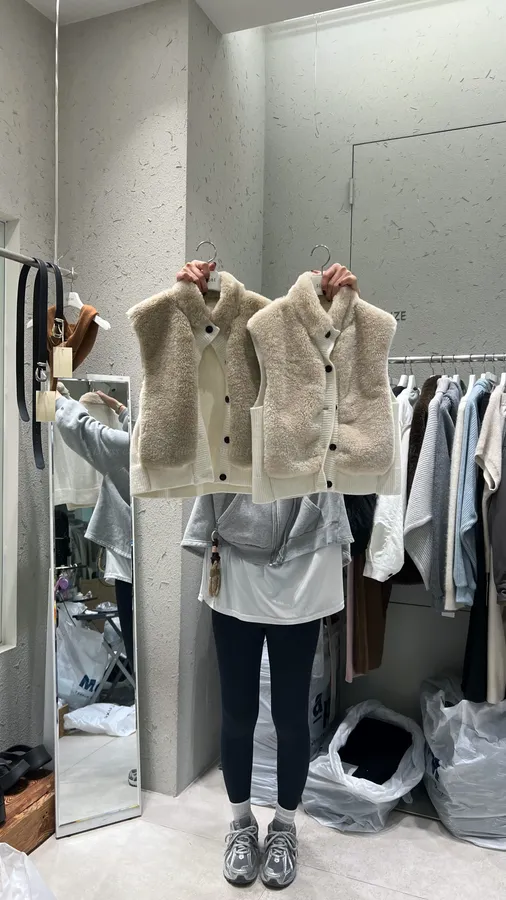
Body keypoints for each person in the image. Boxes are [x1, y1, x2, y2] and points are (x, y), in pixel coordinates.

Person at [177, 259, 359, 890]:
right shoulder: (231, 349)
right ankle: (239, 824)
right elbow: (189, 369)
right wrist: (196, 300)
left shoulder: (316, 354)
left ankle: (284, 826)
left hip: (303, 560)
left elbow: (352, 377)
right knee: (236, 711)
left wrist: (335, 306)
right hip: (234, 555)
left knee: (288, 714)